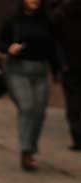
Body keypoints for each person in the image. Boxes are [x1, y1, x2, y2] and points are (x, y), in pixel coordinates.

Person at [0, 0, 60, 171]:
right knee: (27, 106)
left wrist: (56, 71)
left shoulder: (46, 20)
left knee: (39, 112)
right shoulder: (12, 19)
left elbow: (53, 47)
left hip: (41, 71)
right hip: (17, 70)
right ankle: (25, 150)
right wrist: (9, 48)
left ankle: (30, 149)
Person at [51, 0, 81, 149]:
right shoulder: (60, 14)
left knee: (73, 101)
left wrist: (59, 66)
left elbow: (55, 42)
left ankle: (77, 137)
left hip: (69, 65)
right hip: (69, 65)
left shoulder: (60, 13)